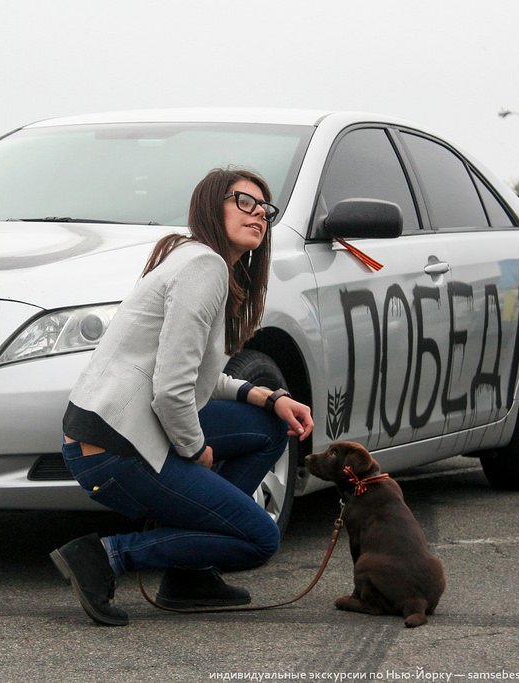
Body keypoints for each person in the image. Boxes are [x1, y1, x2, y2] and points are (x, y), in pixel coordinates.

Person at [50, 168, 315, 626]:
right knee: (260, 539)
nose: (258, 215)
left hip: (120, 433)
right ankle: (105, 556)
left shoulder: (197, 261)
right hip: (117, 448)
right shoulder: (204, 267)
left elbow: (195, 378)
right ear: (213, 206)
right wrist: (195, 451)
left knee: (272, 429)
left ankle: (189, 575)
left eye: (265, 209)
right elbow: (172, 392)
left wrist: (269, 399)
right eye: (243, 202)